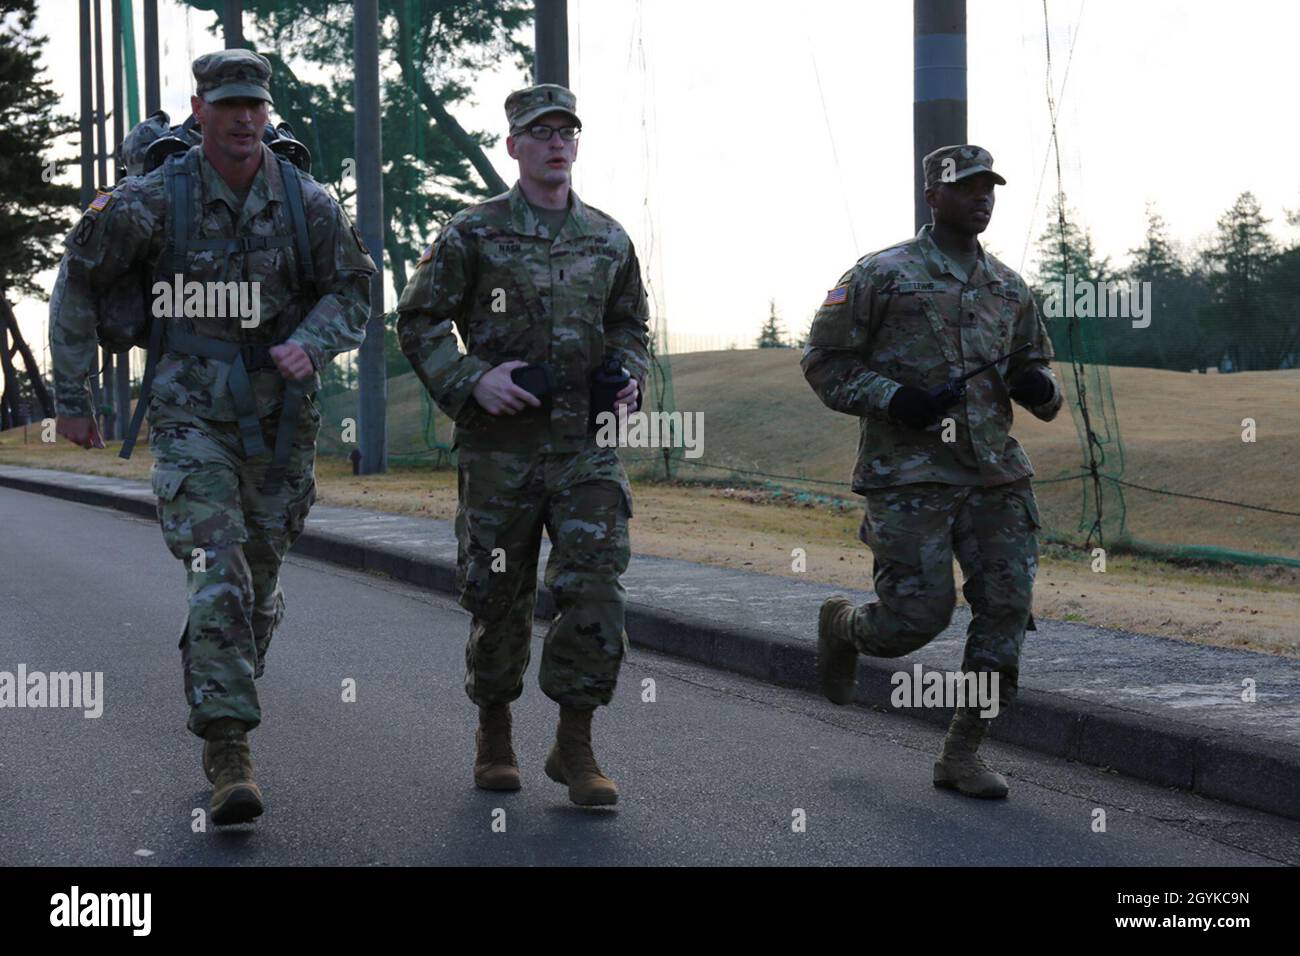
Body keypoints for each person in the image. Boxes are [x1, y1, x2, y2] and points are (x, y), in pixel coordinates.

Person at [49, 49, 375, 824]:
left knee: (256, 586)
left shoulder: (307, 201)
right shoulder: (153, 200)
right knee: (217, 564)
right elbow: (79, 280)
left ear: (267, 112)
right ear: (198, 111)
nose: (241, 119)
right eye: (226, 105)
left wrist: (317, 341)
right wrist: (72, 397)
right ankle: (230, 748)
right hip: (191, 414)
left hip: (283, 423)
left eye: (253, 106)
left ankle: (218, 660)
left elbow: (355, 286)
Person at [396, 84, 650, 807]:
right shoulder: (470, 233)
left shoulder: (608, 238)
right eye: (540, 131)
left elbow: (632, 324)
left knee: (597, 585)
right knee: (498, 593)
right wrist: (473, 379)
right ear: (513, 145)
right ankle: (495, 730)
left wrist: (627, 379)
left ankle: (575, 744)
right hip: (500, 448)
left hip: (586, 447)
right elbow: (418, 321)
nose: (556, 142)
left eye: (567, 130)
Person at [801, 144, 1062, 799]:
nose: (982, 197)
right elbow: (823, 363)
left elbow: (1044, 376)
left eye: (989, 187)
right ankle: (844, 627)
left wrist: (1038, 388)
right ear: (932, 194)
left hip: (997, 476)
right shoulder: (880, 275)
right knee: (915, 618)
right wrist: (894, 398)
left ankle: (962, 754)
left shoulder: (1009, 288)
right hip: (910, 475)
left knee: (1005, 609)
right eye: (967, 186)